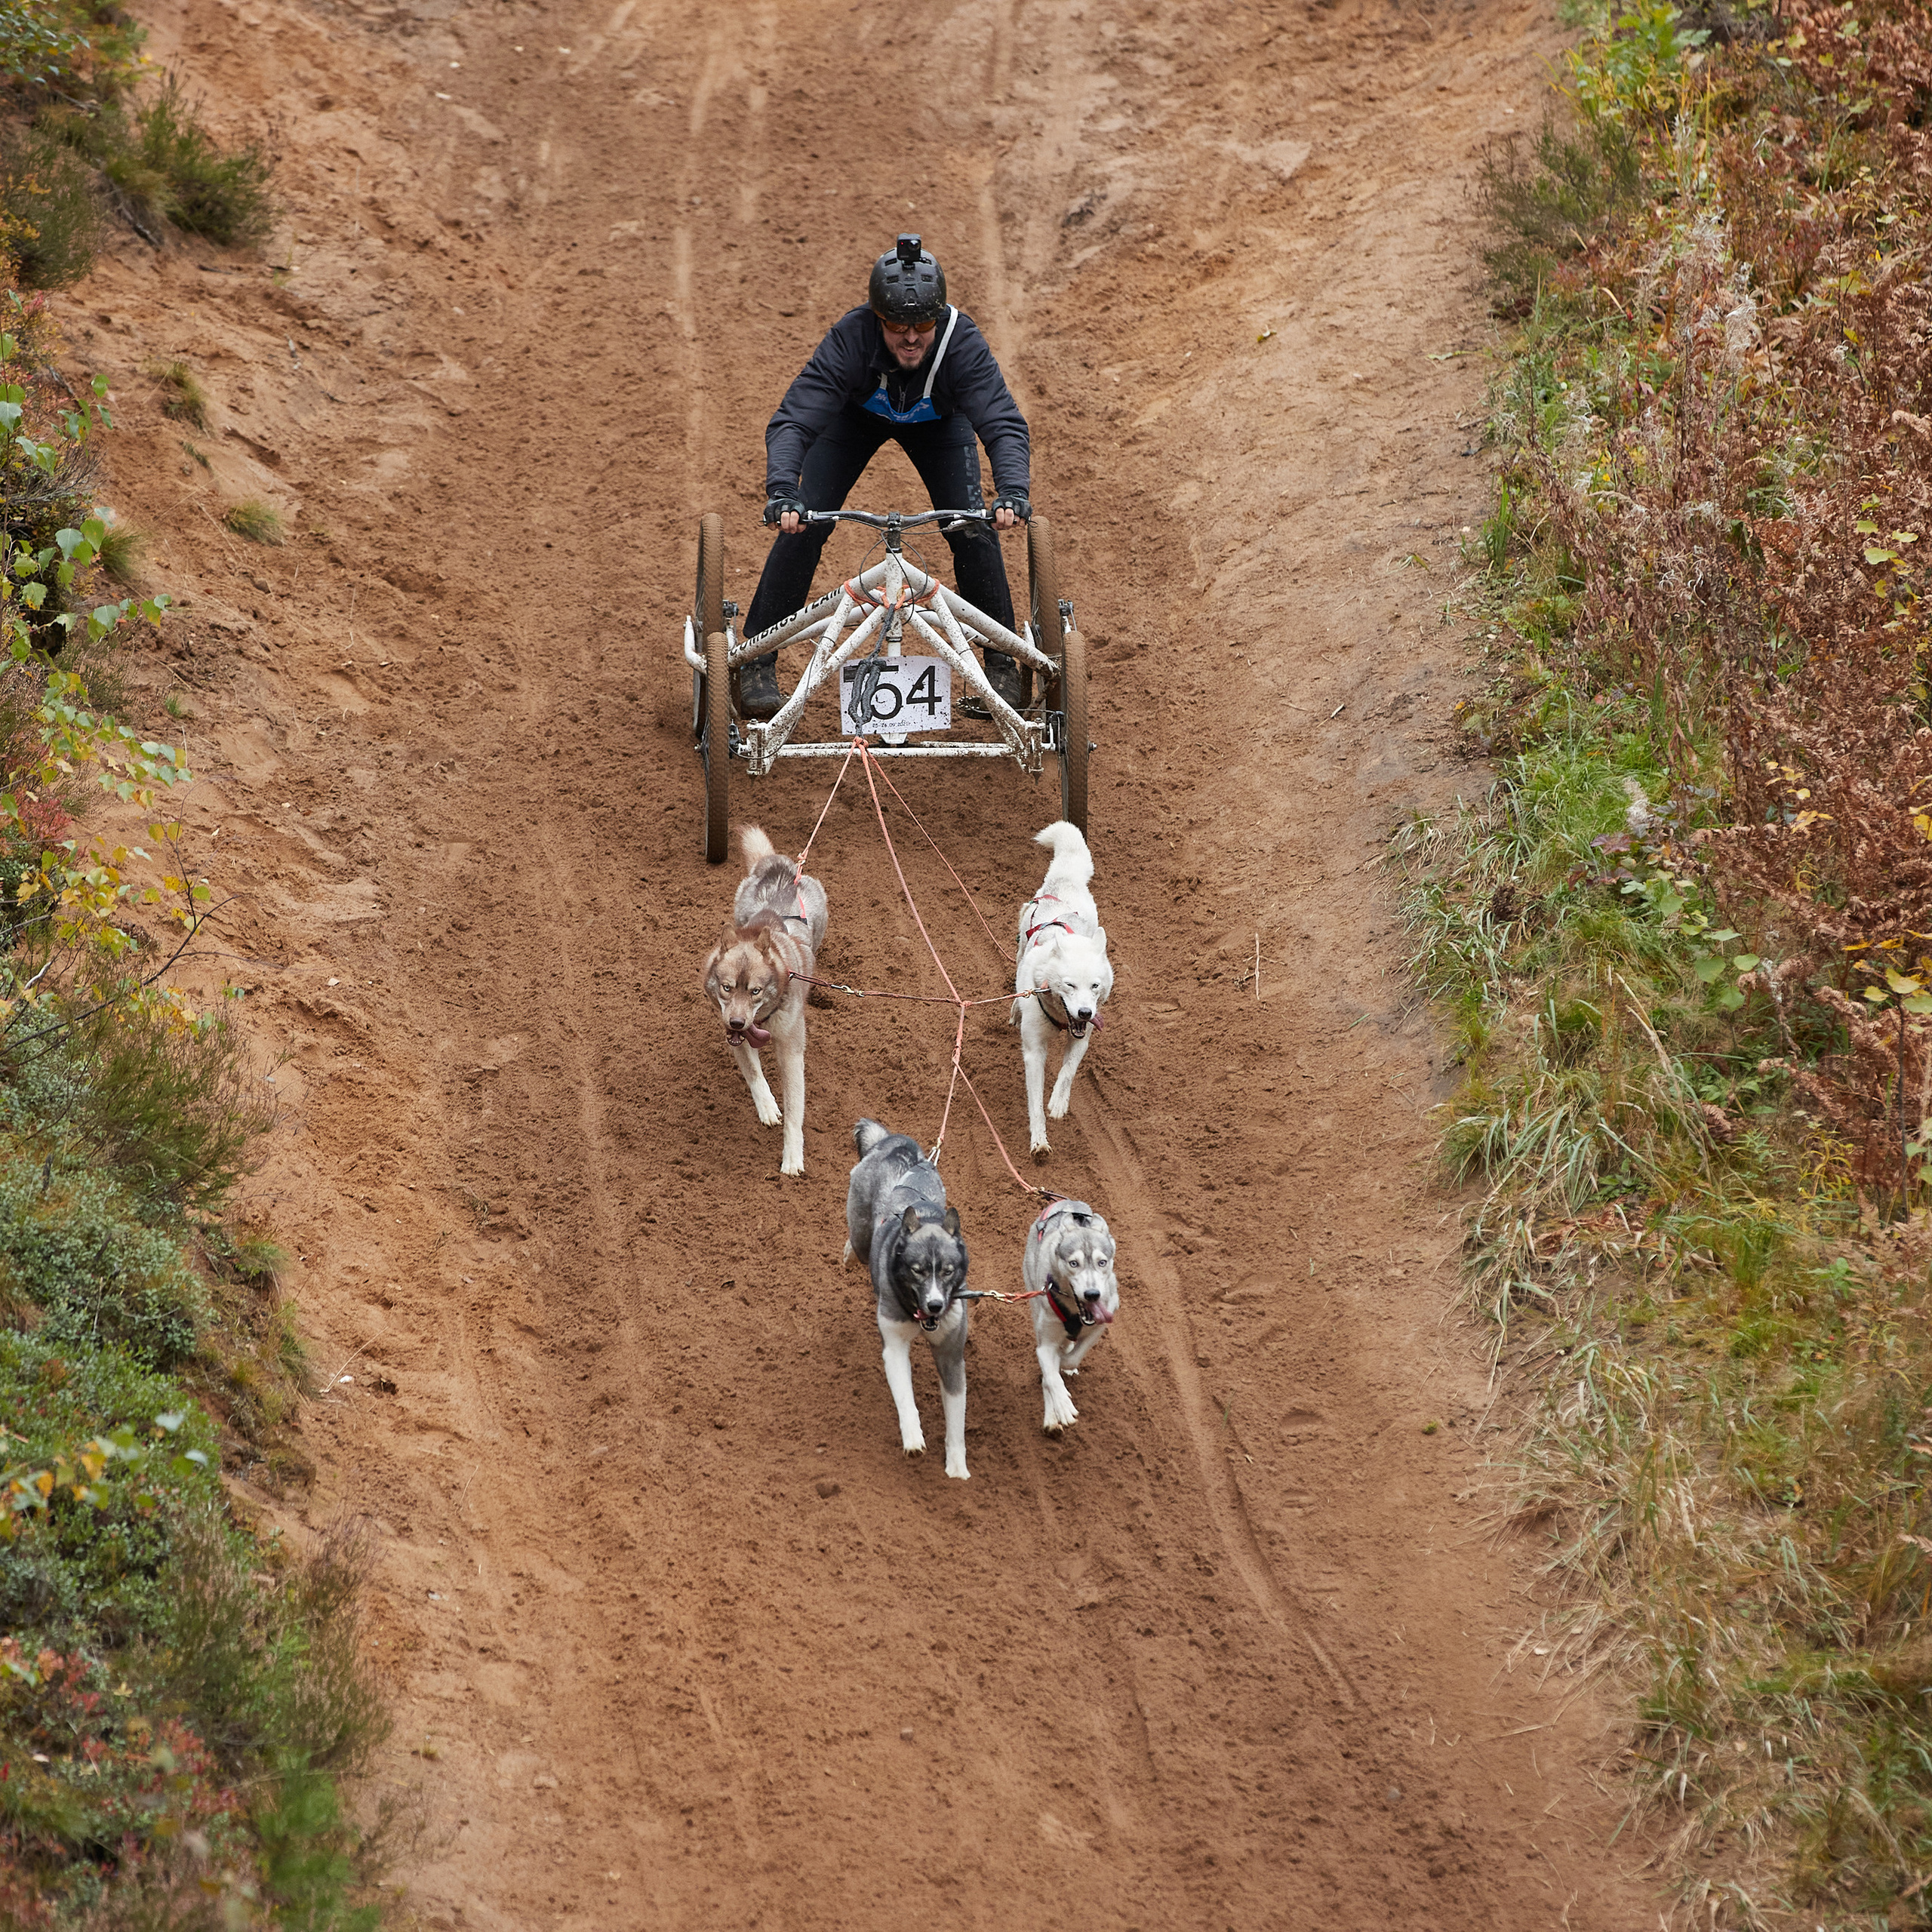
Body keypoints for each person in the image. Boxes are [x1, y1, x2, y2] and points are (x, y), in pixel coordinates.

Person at [737, 234, 1032, 721]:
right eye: (898, 325)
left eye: (923, 324)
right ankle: (757, 661)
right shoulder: (850, 338)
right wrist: (784, 490)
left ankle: (1001, 663)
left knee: (971, 526)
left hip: (940, 425)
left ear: (938, 318)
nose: (911, 337)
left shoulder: (962, 343)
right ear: (879, 321)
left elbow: (1001, 421)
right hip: (855, 421)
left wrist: (1013, 490)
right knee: (806, 519)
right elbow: (794, 418)